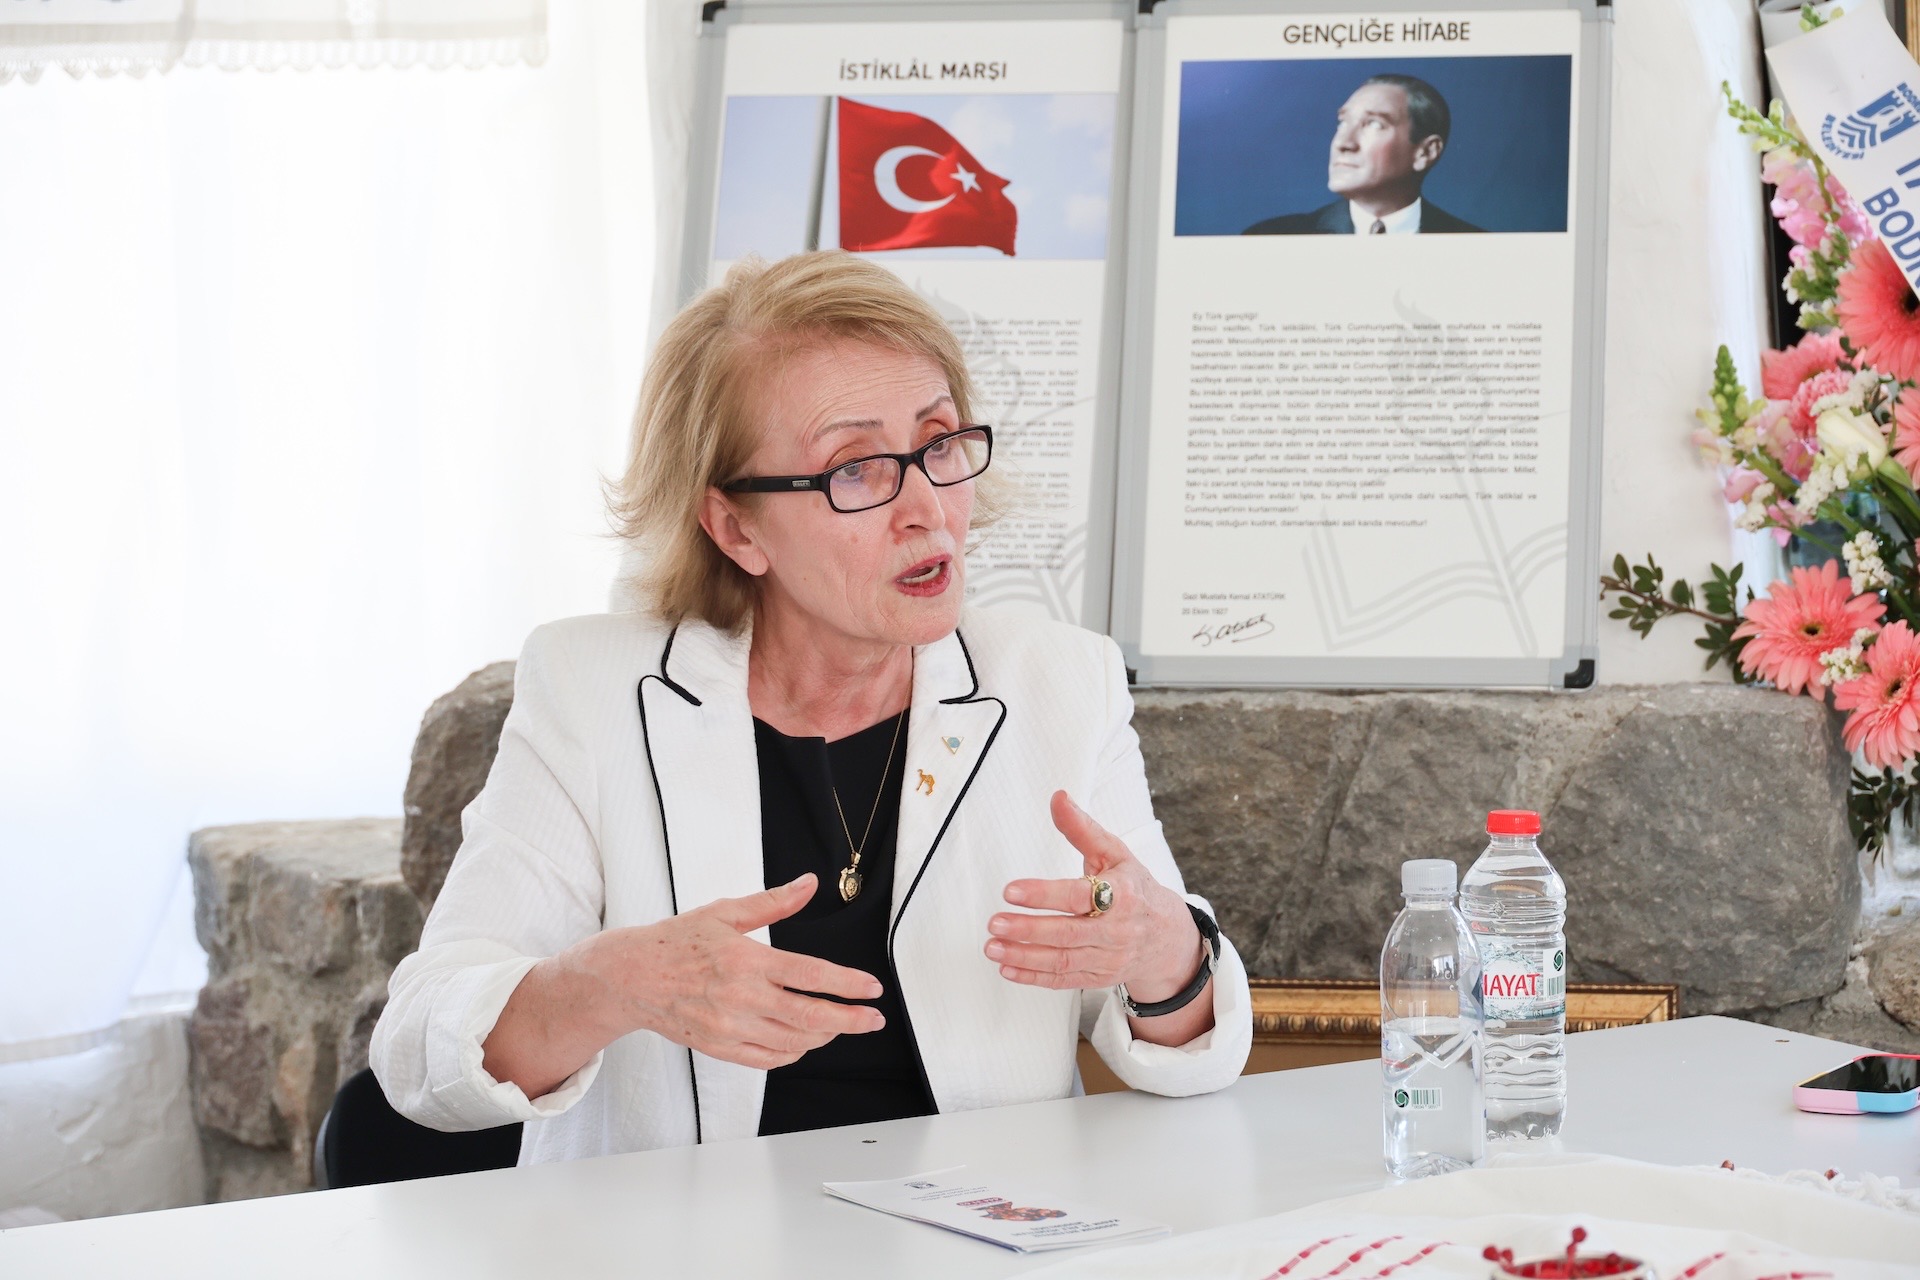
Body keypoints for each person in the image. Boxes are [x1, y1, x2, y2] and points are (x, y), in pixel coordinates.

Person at [370, 251, 1253, 1161]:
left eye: (939, 444)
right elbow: (416, 1052)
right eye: (857, 468)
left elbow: (1188, 1053)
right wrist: (615, 984)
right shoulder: (592, 690)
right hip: (680, 1233)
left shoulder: (1060, 683)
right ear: (736, 528)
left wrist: (1165, 955)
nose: (928, 509)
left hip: (983, 1223)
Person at [1244, 73, 1482, 235]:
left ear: (1425, 152)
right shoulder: (1269, 239)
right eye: (1342, 122)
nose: (1343, 143)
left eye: (1374, 124)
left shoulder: (1477, 246)